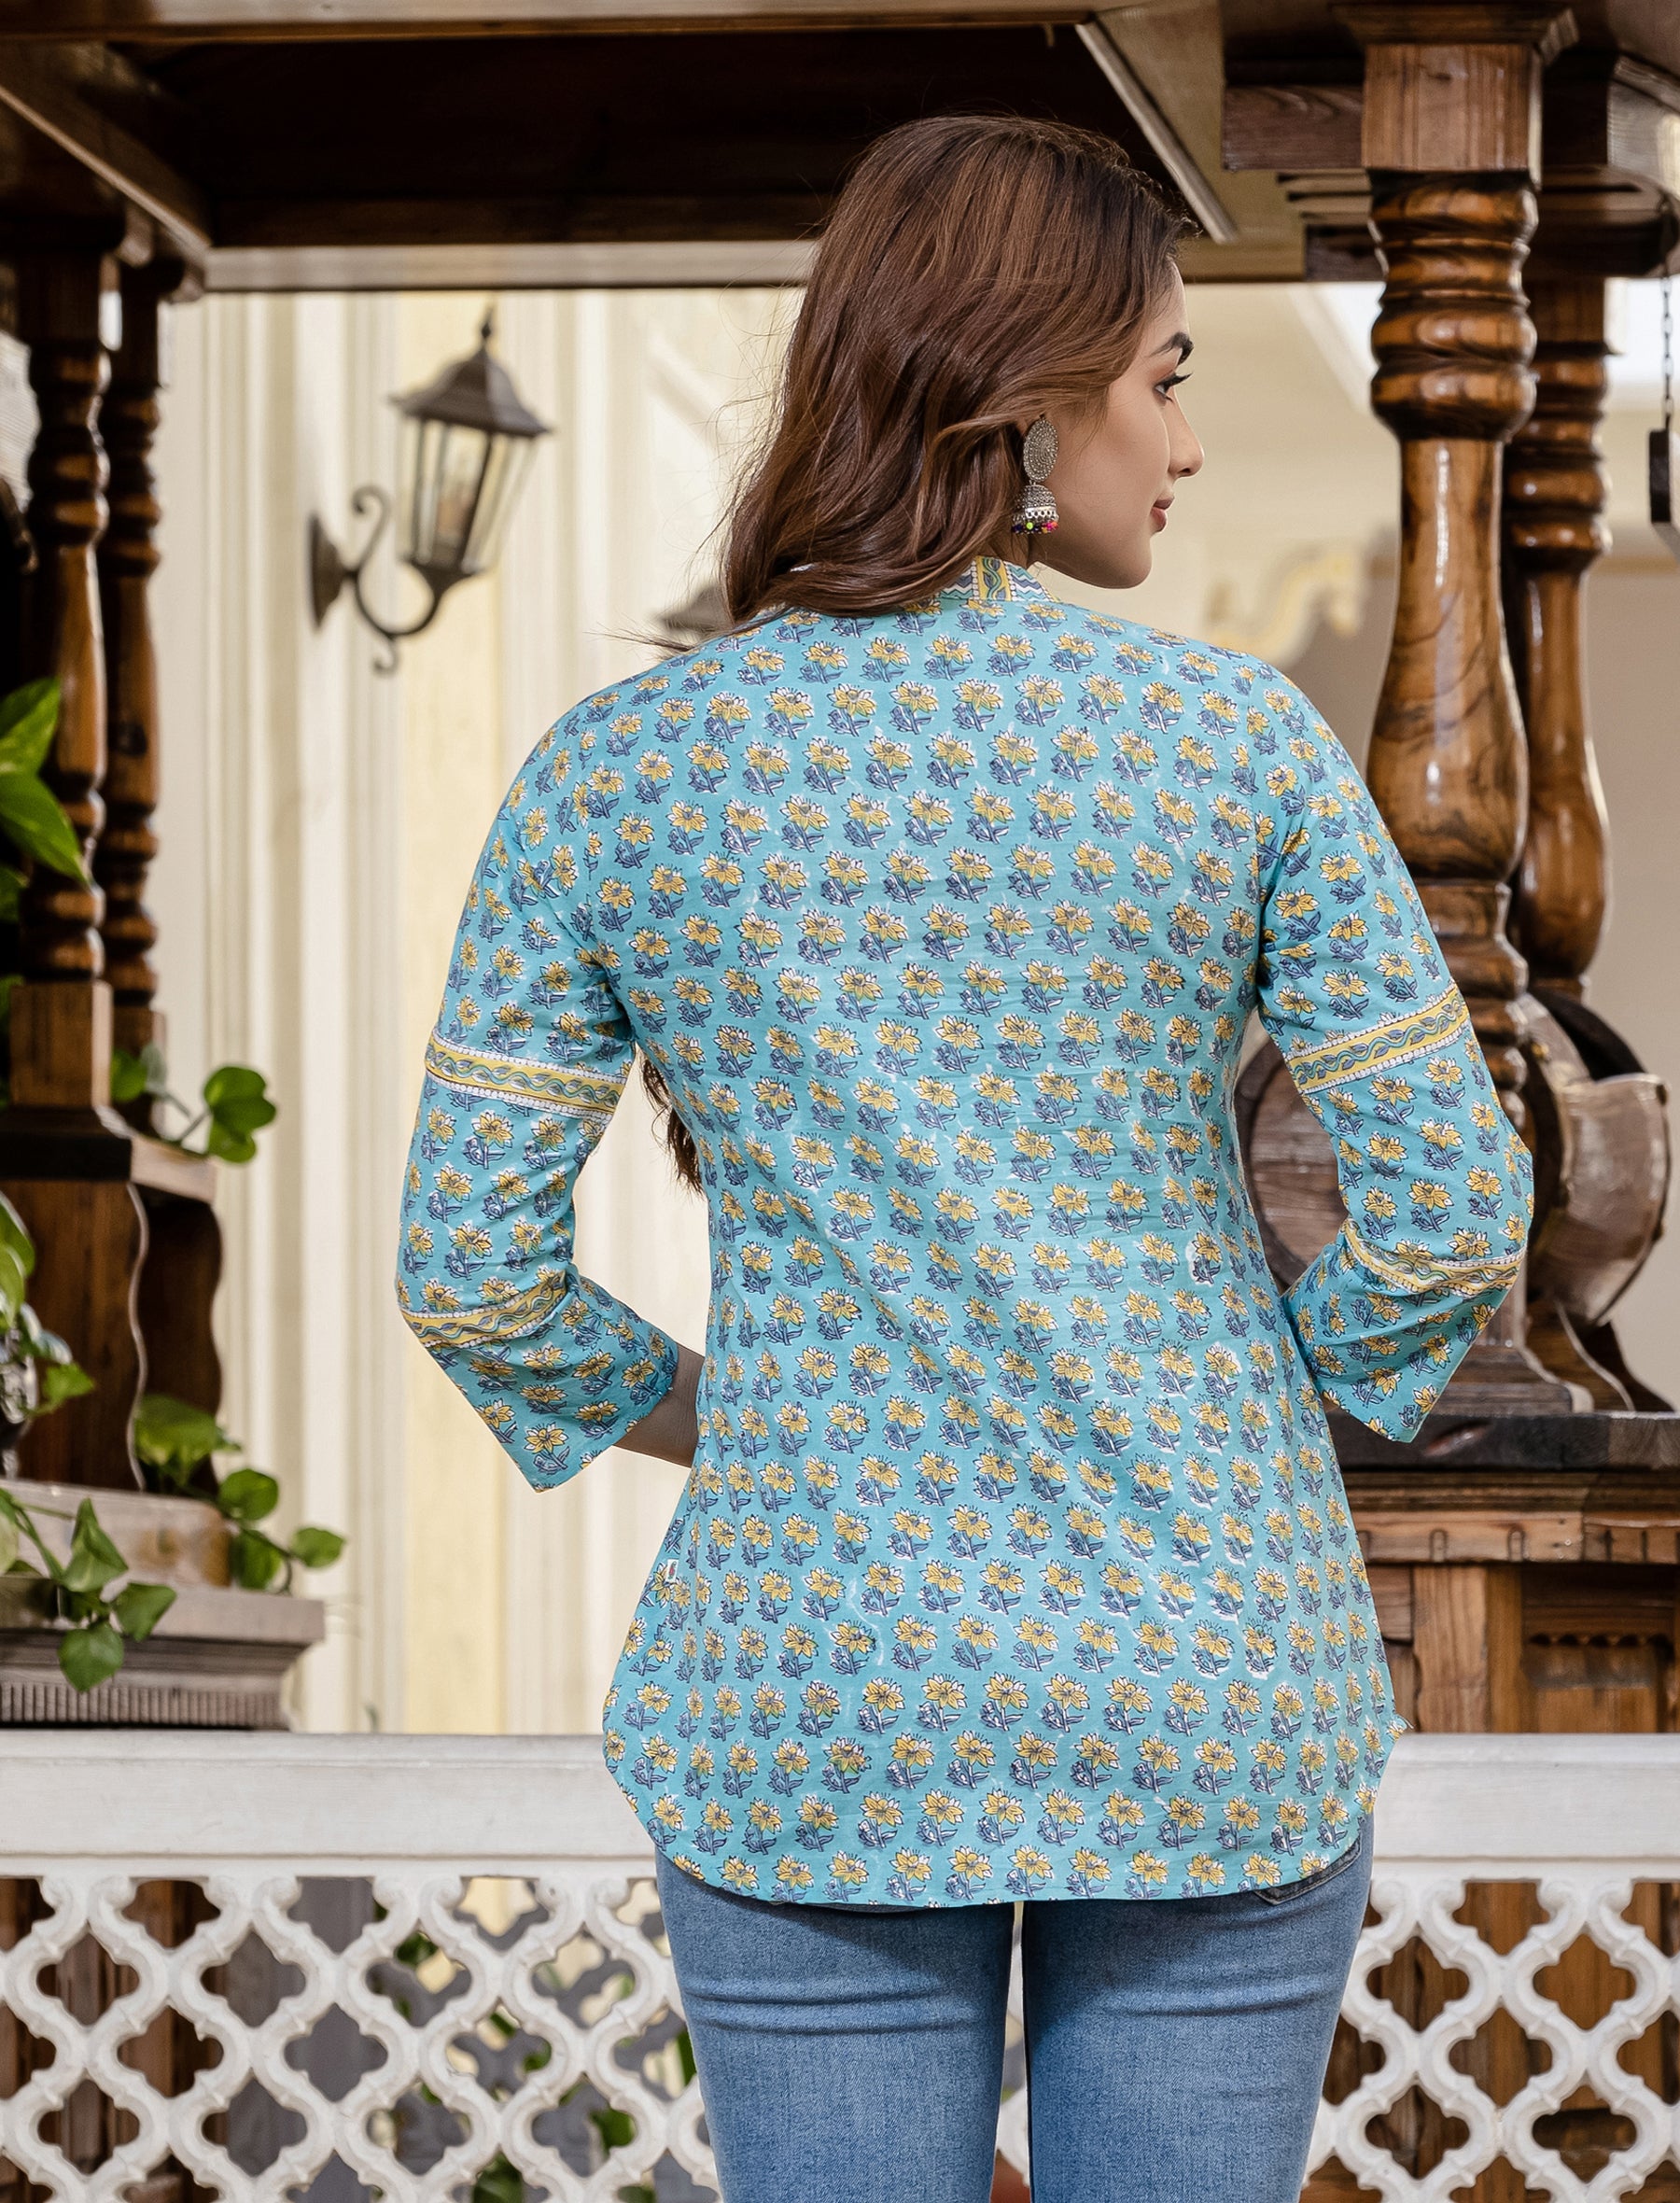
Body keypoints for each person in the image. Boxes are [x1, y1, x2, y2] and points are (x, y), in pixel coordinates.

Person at [398, 114, 1532, 2203]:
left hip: (814, 1688)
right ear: (1028, 399)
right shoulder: (1236, 748)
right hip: (1206, 1673)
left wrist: (729, 1415)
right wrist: (1264, 1388)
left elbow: (469, 1272)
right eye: (1166, 378)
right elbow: (1459, 1205)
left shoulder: (620, 777)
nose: (1186, 443)